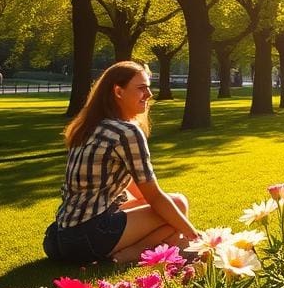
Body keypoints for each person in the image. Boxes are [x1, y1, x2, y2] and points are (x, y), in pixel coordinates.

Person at [43, 60, 199, 265]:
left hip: (60, 237)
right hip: (89, 237)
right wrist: (195, 237)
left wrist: (175, 225)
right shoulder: (126, 132)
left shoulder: (89, 127)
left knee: (170, 215)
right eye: (141, 88)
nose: (149, 95)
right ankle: (129, 254)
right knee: (178, 203)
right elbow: (155, 197)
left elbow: (140, 192)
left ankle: (161, 244)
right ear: (118, 91)